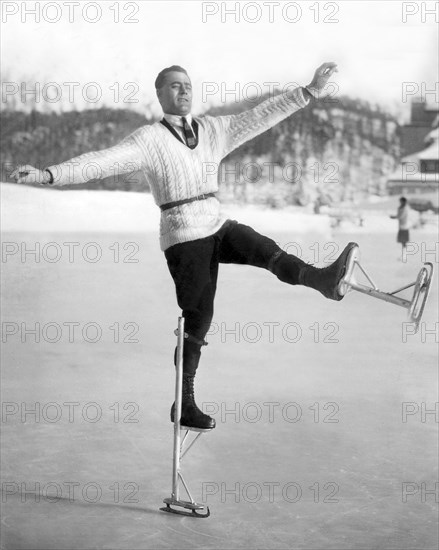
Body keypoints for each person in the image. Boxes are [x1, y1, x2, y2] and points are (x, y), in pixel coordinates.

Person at [11, 62, 358, 430]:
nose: (183, 91)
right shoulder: (148, 140)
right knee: (200, 316)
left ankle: (321, 280)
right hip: (183, 234)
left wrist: (308, 91)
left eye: (187, 85)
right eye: (174, 86)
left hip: (216, 222)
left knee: (265, 250)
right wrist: (50, 174)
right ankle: (185, 403)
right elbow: (100, 162)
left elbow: (261, 116)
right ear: (159, 94)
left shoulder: (213, 129)